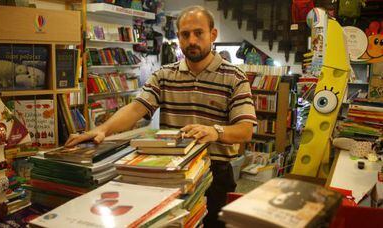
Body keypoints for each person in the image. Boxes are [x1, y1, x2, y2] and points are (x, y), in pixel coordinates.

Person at [65, 5, 256, 227]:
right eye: (185, 34)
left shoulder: (234, 77)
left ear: (212, 35)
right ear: (178, 38)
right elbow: (137, 108)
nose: (191, 40)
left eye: (198, 33)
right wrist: (102, 129)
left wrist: (215, 131)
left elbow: (246, 130)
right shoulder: (165, 75)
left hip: (215, 173)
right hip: (169, 171)